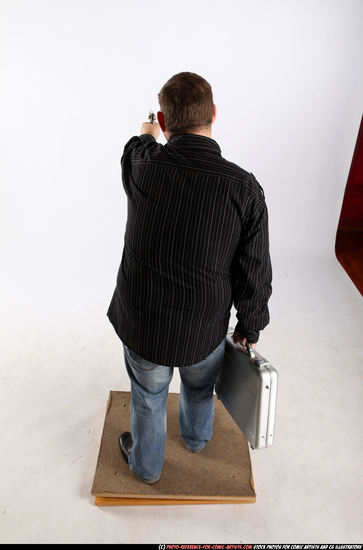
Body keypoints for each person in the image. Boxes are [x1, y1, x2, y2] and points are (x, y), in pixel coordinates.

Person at [107, 72, 272, 484]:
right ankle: (197, 440)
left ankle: (146, 467)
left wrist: (147, 130)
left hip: (144, 325)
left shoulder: (143, 164)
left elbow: (136, 146)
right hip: (205, 328)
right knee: (200, 389)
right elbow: (254, 270)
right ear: (213, 114)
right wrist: (250, 326)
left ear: (164, 123)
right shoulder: (244, 189)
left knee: (148, 398)